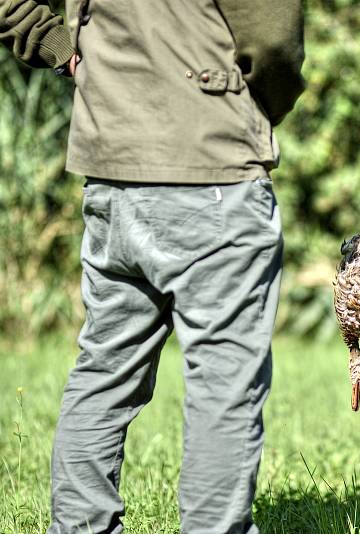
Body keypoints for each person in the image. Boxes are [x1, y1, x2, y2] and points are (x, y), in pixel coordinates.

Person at [0, 0, 305, 532]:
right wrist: (258, 110)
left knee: (104, 370)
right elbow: (274, 44)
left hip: (110, 166)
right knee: (224, 379)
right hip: (212, 167)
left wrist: (67, 52)